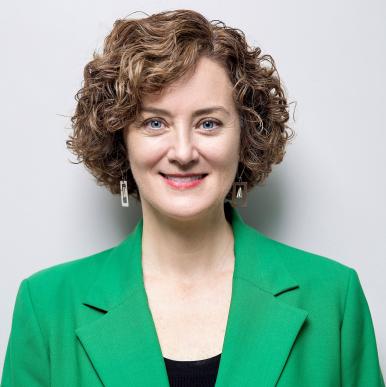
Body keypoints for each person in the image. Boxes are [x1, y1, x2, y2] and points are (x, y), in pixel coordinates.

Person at [1, 8, 384, 387]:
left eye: (208, 123)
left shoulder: (333, 297)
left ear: (245, 136)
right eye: (155, 123)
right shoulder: (46, 306)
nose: (183, 152)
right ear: (121, 140)